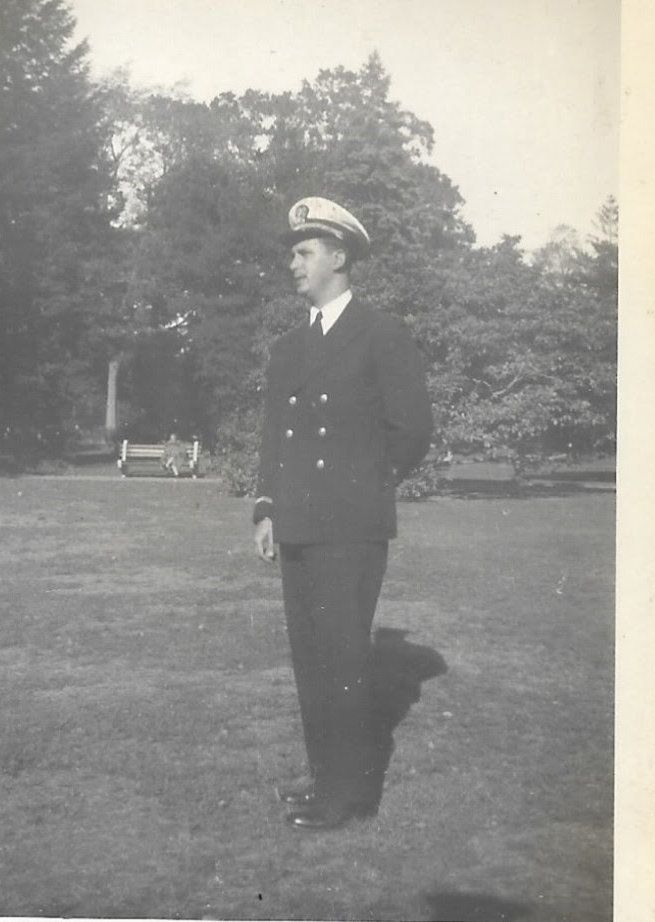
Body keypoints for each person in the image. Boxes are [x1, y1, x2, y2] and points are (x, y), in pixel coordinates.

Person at [252, 196, 433, 831]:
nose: (292, 264)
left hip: (350, 527)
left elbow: (412, 427)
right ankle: (325, 779)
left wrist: (367, 484)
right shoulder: (288, 347)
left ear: (339, 256)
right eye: (293, 253)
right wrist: (267, 508)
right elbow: (275, 437)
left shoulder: (381, 332)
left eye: (303, 253)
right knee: (311, 657)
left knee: (344, 657)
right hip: (297, 525)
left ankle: (350, 795)